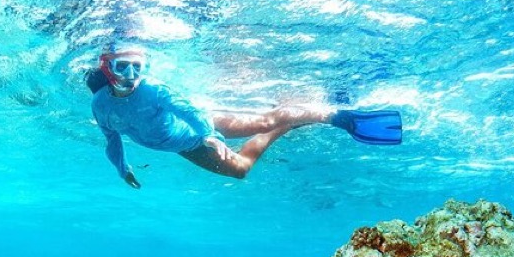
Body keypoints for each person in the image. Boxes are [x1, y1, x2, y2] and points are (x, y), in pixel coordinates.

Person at [88, 43, 402, 189]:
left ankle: (339, 117)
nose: (131, 74)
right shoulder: (100, 106)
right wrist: (121, 168)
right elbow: (111, 140)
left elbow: (190, 110)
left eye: (137, 67)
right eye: (122, 66)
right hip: (184, 145)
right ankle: (292, 119)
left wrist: (209, 135)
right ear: (107, 66)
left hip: (201, 129)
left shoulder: (153, 90)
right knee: (240, 170)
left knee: (266, 120)